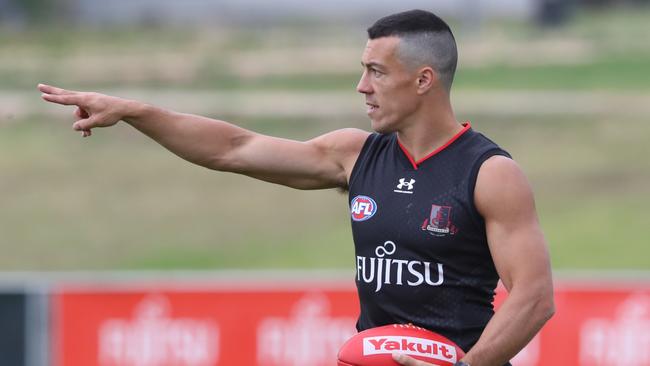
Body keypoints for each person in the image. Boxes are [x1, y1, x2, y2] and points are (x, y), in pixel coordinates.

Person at [38, 9, 554, 366]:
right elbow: (233, 148)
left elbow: (533, 297)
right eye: (362, 71)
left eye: (376, 72)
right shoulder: (355, 155)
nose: (362, 87)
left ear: (423, 81)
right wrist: (136, 112)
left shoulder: (488, 172)